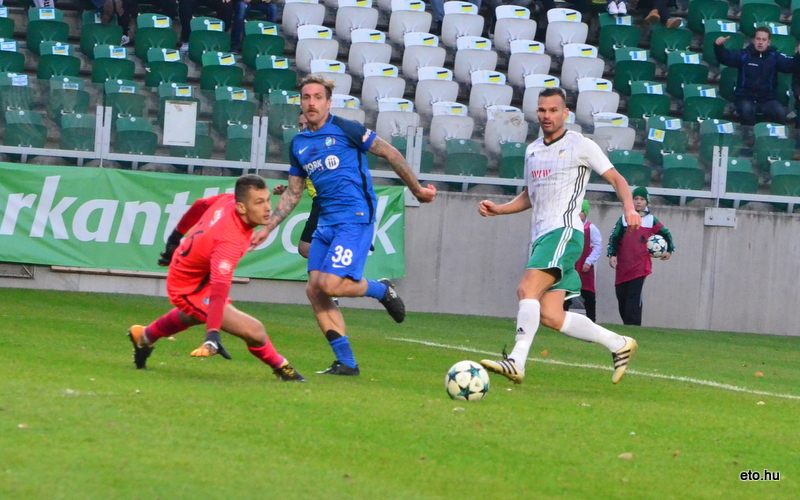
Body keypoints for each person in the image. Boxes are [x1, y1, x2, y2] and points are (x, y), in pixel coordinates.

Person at [250, 74, 437, 376]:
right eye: (306, 97)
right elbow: (295, 192)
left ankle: (380, 289)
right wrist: (268, 227)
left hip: (355, 217)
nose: (311, 103)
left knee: (330, 284)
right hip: (325, 222)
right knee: (315, 291)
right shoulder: (298, 143)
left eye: (317, 97)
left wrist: (416, 189)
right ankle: (347, 362)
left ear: (328, 102)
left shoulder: (346, 129)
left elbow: (390, 153)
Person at [477, 87, 641, 385]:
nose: (547, 115)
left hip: (564, 231)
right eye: (542, 110)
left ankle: (516, 361)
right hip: (542, 236)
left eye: (553, 110)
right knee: (551, 314)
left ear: (565, 113)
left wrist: (629, 207)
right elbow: (530, 196)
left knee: (527, 289)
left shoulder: (580, 145)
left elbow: (617, 178)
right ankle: (619, 343)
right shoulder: (533, 150)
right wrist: (499, 209)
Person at [127, 174, 306, 382]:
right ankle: (283, 368)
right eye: (259, 202)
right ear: (242, 208)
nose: (268, 208)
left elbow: (199, 204)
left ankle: (144, 336)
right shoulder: (229, 242)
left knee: (195, 313)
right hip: (188, 287)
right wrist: (213, 335)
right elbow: (218, 292)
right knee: (255, 331)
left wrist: (175, 237)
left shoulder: (228, 200)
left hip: (191, 266)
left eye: (267, 199)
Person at [607, 186, 674, 326]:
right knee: (621, 295)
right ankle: (627, 322)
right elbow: (614, 237)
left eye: (641, 199)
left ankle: (633, 324)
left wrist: (669, 250)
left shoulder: (651, 220)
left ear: (647, 202)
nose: (638, 202)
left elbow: (666, 234)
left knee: (634, 295)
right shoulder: (624, 219)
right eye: (635, 199)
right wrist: (612, 254)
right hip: (623, 265)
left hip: (640, 265)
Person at [714, 27, 796, 126]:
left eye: (764, 39)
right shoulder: (744, 55)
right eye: (758, 39)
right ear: (753, 40)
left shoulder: (775, 57)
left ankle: (774, 138)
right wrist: (719, 47)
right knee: (746, 110)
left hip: (767, 100)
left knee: (780, 112)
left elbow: (790, 66)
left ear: (769, 42)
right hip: (745, 98)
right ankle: (748, 137)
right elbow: (726, 58)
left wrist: (799, 55)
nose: (760, 42)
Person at [563, 199, 601, 322]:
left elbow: (597, 246)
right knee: (566, 292)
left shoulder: (591, 228)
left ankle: (591, 320)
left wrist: (589, 261)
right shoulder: (568, 227)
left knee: (588, 294)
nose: (577, 214)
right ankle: (562, 318)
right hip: (570, 265)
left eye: (580, 211)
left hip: (584, 266)